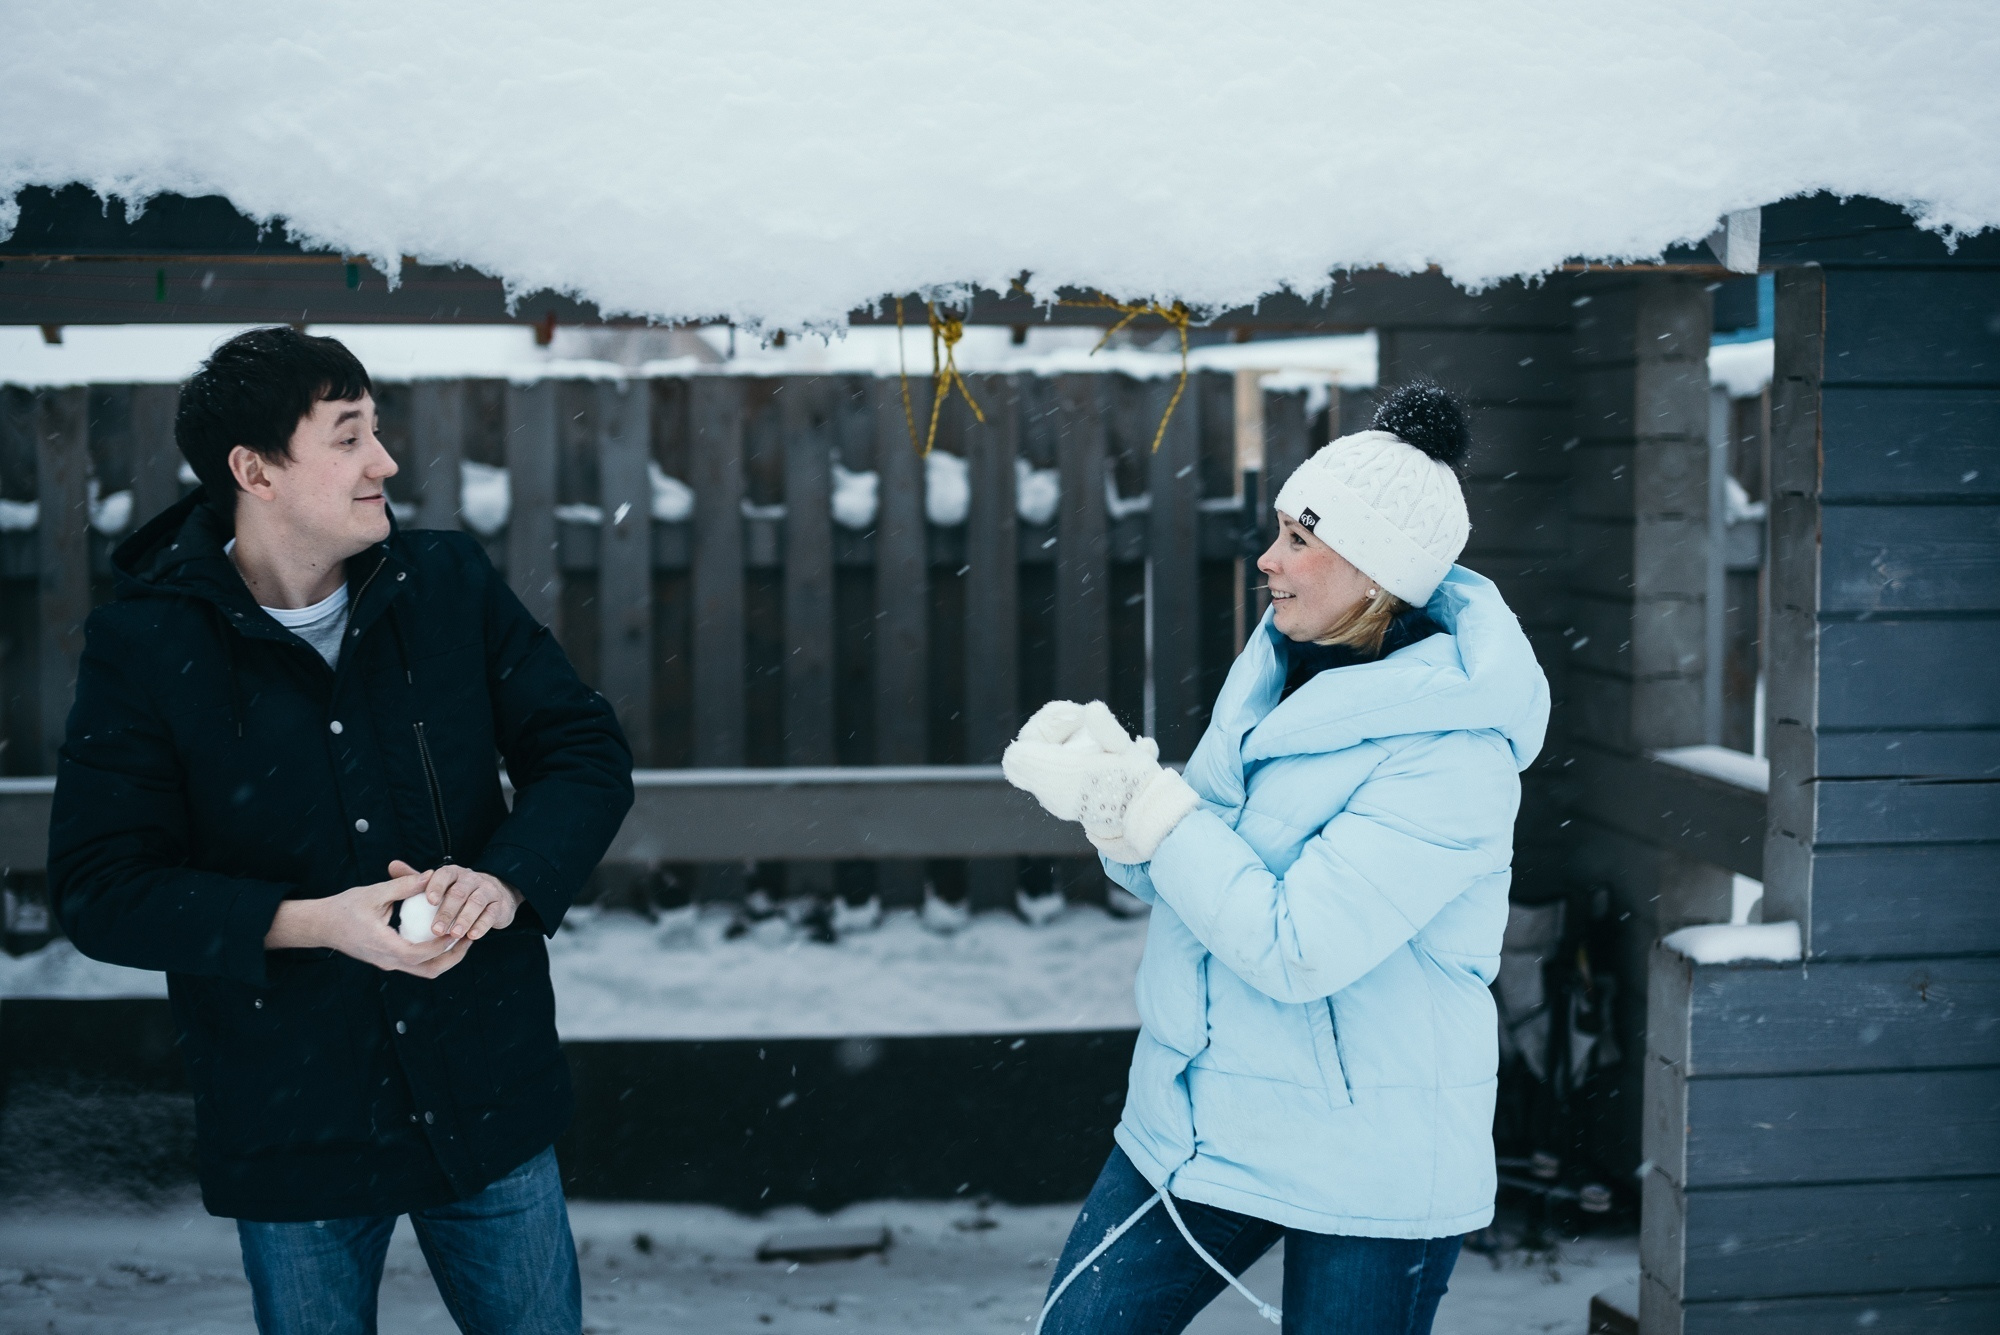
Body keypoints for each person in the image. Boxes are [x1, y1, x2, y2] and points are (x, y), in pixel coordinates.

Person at [48, 327, 634, 1335]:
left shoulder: (444, 586)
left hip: (485, 1089)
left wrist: (504, 879)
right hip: (290, 1117)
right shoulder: (145, 647)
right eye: (348, 436)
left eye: (378, 430)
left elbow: (581, 750)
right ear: (255, 470)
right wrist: (314, 922)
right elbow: (102, 888)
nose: (385, 462)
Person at [1004, 382, 1549, 1335]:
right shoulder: (1274, 672)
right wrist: (1107, 797)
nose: (1269, 560)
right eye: (1280, 531)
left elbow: (1294, 945)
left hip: (1373, 1152)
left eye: (1300, 538)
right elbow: (1178, 874)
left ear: (1375, 570)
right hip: (1201, 1116)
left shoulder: (1455, 752)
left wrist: (1155, 809)